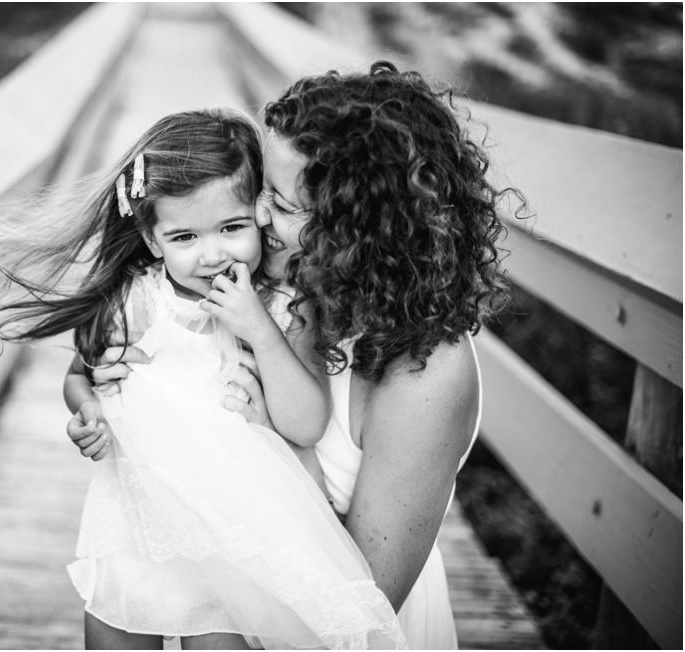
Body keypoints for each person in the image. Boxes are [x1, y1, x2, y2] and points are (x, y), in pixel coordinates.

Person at [75, 62, 522, 649]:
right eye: (262, 191)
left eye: (283, 206)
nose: (257, 217)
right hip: (233, 595)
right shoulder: (286, 286)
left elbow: (360, 606)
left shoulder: (427, 374)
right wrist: (114, 377)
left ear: (355, 229)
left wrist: (274, 443)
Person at [0, 108, 406, 650]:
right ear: (153, 240)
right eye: (184, 236)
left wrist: (257, 327)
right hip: (140, 515)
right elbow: (80, 377)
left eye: (232, 227)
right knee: (116, 629)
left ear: (260, 213)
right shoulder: (137, 300)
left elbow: (306, 424)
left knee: (218, 638)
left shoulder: (286, 306)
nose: (212, 254)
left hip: (234, 528)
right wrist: (88, 410)